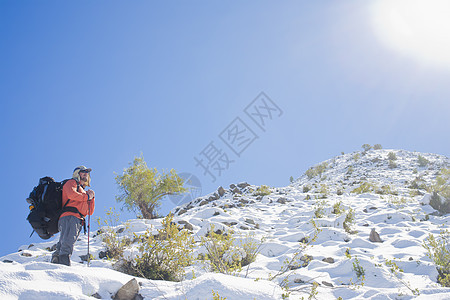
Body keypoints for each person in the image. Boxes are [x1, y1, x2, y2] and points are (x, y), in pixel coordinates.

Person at [51, 166, 95, 266]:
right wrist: (87, 197)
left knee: (66, 240)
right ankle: (63, 264)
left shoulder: (84, 191)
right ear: (77, 174)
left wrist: (92, 198)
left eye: (87, 173)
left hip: (78, 219)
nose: (85, 174)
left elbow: (90, 211)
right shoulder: (71, 183)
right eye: (83, 172)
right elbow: (71, 194)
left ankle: (56, 261)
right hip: (69, 216)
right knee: (67, 240)